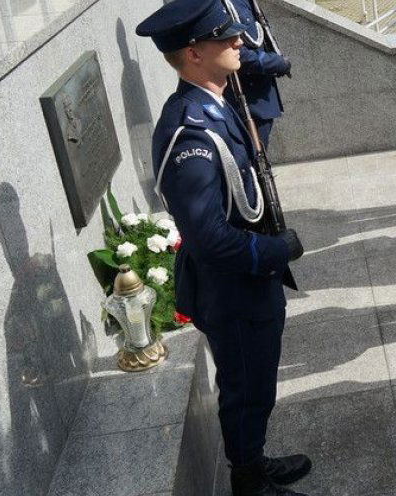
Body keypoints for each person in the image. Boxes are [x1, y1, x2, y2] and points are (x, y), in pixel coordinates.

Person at [135, 1, 311, 494]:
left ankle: (252, 460)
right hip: (232, 290)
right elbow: (209, 237)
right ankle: (248, 480)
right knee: (244, 388)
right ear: (194, 53)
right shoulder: (191, 130)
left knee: (256, 384)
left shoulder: (213, 102)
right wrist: (275, 253)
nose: (239, 41)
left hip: (246, 285)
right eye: (226, 37)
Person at [221, 0, 290, 150]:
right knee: (254, 161)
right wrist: (277, 63)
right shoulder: (222, 4)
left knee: (260, 158)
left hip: (260, 97)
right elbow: (237, 54)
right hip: (247, 102)